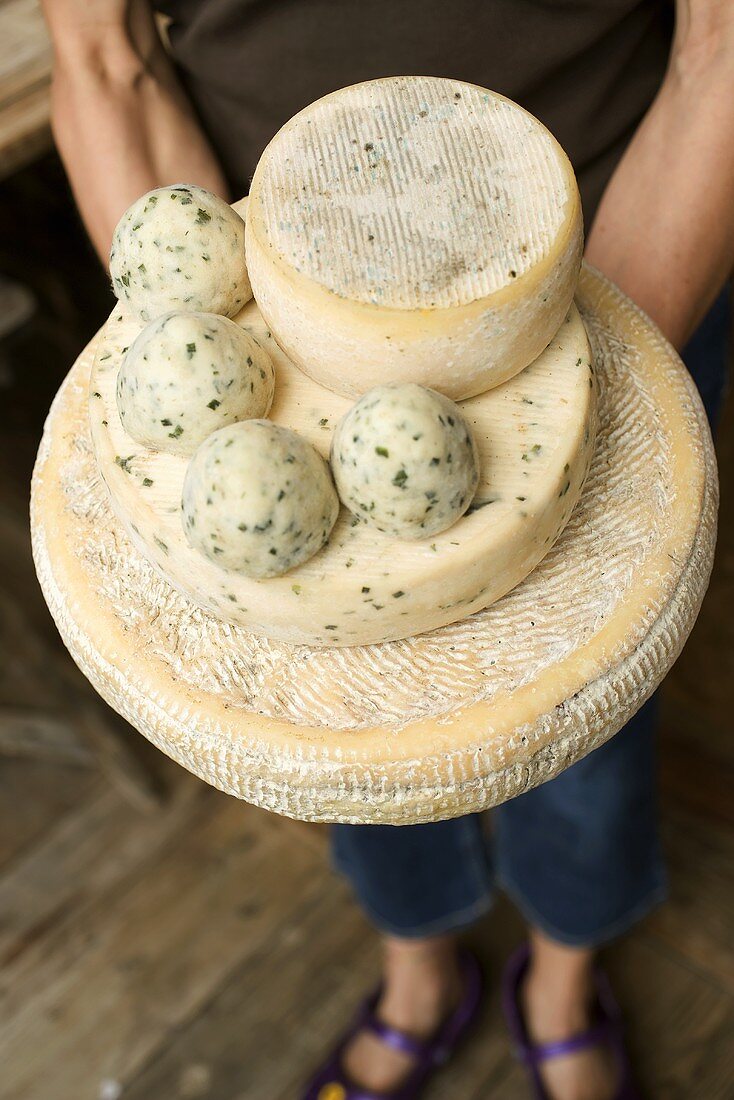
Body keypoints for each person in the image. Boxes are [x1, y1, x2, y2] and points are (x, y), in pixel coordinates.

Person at [42, 2, 734, 1098]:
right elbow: (105, 60)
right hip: (278, 308)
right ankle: (417, 962)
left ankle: (561, 975)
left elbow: (720, 53)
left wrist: (563, 425)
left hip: (605, 261)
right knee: (334, 724)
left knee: (580, 717)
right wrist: (197, 349)